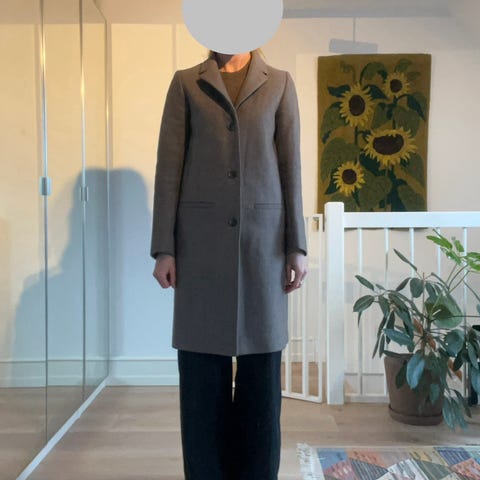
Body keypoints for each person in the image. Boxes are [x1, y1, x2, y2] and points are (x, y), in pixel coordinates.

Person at [151, 49, 308, 480]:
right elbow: (169, 168)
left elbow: (290, 167)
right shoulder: (186, 83)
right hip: (199, 248)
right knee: (201, 379)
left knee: (262, 384)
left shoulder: (279, 83)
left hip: (264, 248)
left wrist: (297, 245)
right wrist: (164, 247)